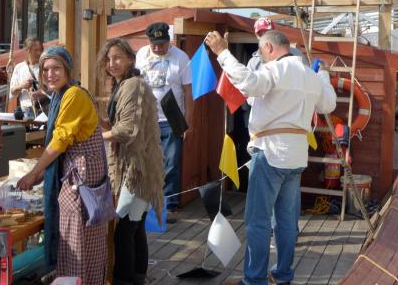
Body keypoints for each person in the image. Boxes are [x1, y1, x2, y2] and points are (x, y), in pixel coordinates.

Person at [205, 30, 336, 285]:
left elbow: (249, 82)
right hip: (297, 156)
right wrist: (323, 74)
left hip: (270, 153)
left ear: (268, 48)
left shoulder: (275, 70)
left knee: (258, 222)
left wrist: (222, 53)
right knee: (287, 223)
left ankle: (254, 280)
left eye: (262, 53)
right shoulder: (310, 75)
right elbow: (328, 104)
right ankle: (282, 275)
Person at [16, 46, 107, 285]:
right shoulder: (61, 95)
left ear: (67, 70)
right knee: (85, 242)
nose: (50, 74)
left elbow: (60, 140)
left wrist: (35, 173)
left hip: (81, 179)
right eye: (45, 69)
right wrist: (39, 173)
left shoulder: (74, 95)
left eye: (56, 68)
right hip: (82, 175)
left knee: (75, 241)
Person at [98, 38, 164, 285]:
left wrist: (94, 138)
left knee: (124, 231)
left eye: (117, 58)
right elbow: (118, 125)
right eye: (108, 59)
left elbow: (126, 130)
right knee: (134, 227)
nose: (111, 63)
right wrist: (98, 121)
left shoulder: (133, 85)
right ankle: (137, 278)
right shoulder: (123, 85)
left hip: (137, 168)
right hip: (140, 166)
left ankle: (125, 280)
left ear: (130, 60)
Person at [135, 22, 192, 222]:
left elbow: (187, 91)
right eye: (154, 44)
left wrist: (187, 122)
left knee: (171, 163)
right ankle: (148, 202)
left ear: (169, 41)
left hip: (172, 118)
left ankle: (169, 204)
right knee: (146, 161)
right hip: (146, 118)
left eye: (162, 44)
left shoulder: (181, 58)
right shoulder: (141, 54)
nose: (158, 48)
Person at [9, 37, 46, 114]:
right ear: (27, 50)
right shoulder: (19, 68)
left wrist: (41, 92)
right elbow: (12, 92)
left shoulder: (46, 67)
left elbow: (53, 89)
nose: (39, 53)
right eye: (36, 50)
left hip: (44, 108)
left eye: (40, 50)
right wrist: (22, 85)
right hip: (26, 109)